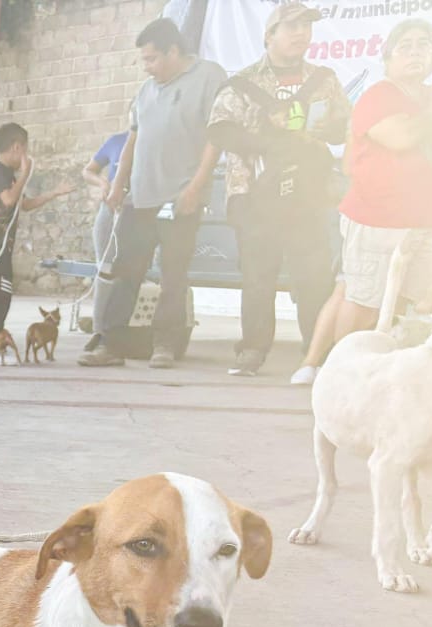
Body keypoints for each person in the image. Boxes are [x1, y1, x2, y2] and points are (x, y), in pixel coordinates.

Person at [291, 17, 432, 385]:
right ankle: (342, 376)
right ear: (388, 59)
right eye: (406, 46)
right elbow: (401, 137)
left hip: (423, 220)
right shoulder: (380, 95)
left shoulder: (427, 97)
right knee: (363, 304)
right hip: (377, 219)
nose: (417, 52)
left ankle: (385, 372)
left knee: (423, 299)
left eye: (425, 45)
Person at [209, 1, 349, 377]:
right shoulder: (243, 81)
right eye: (291, 27)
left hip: (307, 194)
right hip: (255, 195)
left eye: (306, 26)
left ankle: (316, 356)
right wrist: (267, 145)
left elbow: (343, 127)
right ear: (269, 35)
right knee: (257, 275)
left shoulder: (325, 79)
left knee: (314, 276)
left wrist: (321, 132)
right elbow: (219, 128)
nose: (301, 33)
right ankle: (251, 353)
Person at [79, 18, 225, 370]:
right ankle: (110, 343)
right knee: (126, 269)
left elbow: (216, 137)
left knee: (173, 274)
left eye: (152, 59)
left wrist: (195, 187)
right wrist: (117, 184)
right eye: (144, 60)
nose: (147, 67)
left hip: (181, 198)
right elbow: (133, 138)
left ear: (174, 51)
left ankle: (165, 345)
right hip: (140, 198)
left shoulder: (209, 76)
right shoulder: (146, 90)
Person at [0, 123, 75, 367]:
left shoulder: (5, 174)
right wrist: (26, 173)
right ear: (17, 147)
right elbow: (7, 200)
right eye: (25, 149)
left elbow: (23, 204)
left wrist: (54, 193)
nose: (27, 155)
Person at [81, 130, 129, 335]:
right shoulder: (116, 141)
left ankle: (117, 327)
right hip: (109, 210)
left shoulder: (153, 140)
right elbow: (88, 170)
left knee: (128, 271)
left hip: (135, 211)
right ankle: (98, 328)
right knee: (104, 268)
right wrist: (103, 183)